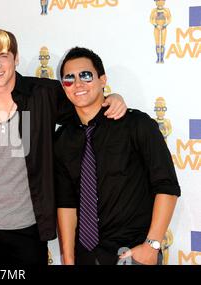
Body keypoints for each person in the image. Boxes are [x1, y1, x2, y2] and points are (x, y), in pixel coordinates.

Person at [0, 29, 127, 265]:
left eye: (3, 56)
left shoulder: (43, 93)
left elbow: (83, 105)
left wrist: (113, 97)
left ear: (16, 59)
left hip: (29, 226)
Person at [55, 47, 180, 265]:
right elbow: (66, 203)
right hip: (85, 256)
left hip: (132, 253)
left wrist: (152, 246)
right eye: (69, 78)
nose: (78, 84)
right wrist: (68, 258)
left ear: (102, 80)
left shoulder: (137, 125)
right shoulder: (63, 138)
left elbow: (166, 186)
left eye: (86, 75)